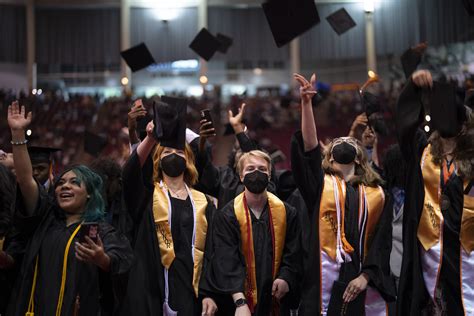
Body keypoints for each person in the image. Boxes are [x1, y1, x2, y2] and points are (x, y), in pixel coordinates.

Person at [6, 101, 134, 316]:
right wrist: (18, 134)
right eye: (62, 182)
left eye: (75, 183)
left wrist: (102, 259)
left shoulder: (99, 231)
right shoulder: (45, 219)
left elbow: (122, 261)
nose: (65, 185)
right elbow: (25, 179)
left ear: (90, 193)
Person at [292, 73, 396, 315]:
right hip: (321, 280)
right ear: (328, 156)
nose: (343, 143)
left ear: (359, 156)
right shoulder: (319, 186)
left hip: (360, 281)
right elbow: (309, 147)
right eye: (337, 142)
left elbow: (382, 242)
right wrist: (306, 105)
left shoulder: (378, 194)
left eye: (349, 142)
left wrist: (367, 276)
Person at [120, 98, 218, 316]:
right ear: (156, 161)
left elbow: (212, 251)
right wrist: (151, 138)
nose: (173, 155)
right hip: (150, 291)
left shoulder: (203, 203)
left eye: (180, 153)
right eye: (166, 153)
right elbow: (128, 175)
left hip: (192, 295)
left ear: (189, 161)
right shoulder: (146, 197)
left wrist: (209, 293)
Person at [396, 70, 474, 315]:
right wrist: (414, 88)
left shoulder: (472, 158)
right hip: (427, 252)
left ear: (464, 126)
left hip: (465, 252)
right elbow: (405, 126)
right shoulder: (422, 151)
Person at [201, 150, 302, 315]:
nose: (256, 173)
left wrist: (286, 277)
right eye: (250, 169)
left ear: (269, 176)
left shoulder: (287, 212)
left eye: (262, 169)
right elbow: (226, 260)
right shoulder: (227, 215)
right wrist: (240, 302)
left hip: (275, 299)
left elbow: (293, 253)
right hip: (237, 302)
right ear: (241, 176)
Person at [196, 103, 277, 208]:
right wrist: (201, 142)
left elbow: (254, 157)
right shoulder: (224, 178)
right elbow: (204, 169)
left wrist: (238, 129)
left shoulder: (266, 181)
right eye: (239, 153)